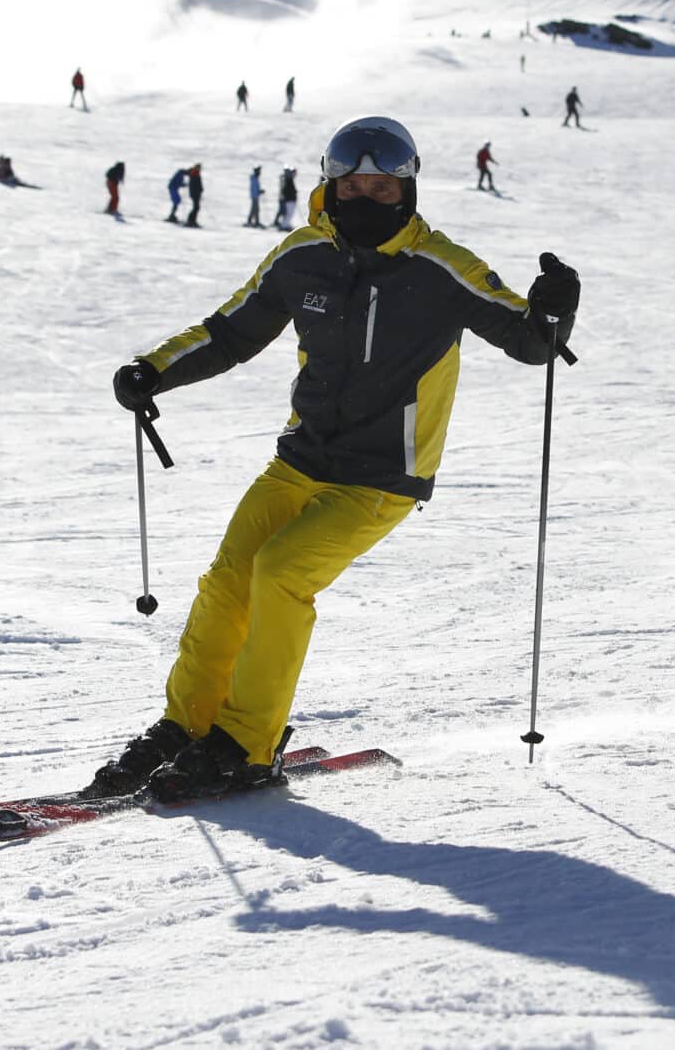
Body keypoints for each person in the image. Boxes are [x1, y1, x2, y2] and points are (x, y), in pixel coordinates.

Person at [86, 115, 582, 801]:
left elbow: (532, 341)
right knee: (229, 581)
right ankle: (185, 726)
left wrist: (554, 313)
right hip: (299, 459)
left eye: (382, 186)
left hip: (381, 476)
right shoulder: (303, 255)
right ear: (331, 186)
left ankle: (245, 746)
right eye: (353, 185)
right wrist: (153, 371)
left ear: (407, 188)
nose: (366, 198)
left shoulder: (443, 267)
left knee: (280, 573)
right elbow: (232, 331)